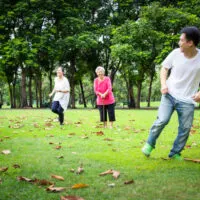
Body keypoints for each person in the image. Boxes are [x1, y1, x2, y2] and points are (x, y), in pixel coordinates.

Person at [142, 26, 200, 160]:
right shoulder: (175, 53)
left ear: (190, 43)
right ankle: (149, 144)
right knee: (162, 120)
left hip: (187, 99)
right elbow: (164, 68)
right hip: (169, 94)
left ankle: (175, 153)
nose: (179, 43)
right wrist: (163, 84)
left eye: (181, 40)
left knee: (185, 128)